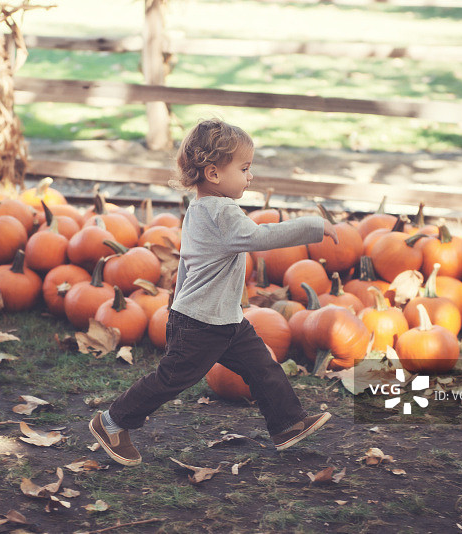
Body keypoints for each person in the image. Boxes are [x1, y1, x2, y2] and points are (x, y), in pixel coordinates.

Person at [89, 118, 338, 466]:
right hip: (201, 324)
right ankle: (112, 422)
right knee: (170, 380)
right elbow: (260, 238)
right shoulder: (221, 212)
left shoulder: (200, 209)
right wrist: (315, 225)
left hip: (223, 319)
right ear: (214, 174)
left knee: (262, 367)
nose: (250, 176)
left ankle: (287, 425)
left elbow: (190, 266)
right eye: (245, 168)